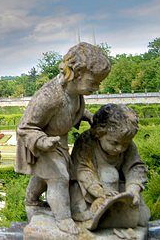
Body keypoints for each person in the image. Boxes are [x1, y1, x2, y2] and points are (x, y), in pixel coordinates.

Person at [15, 42, 111, 235]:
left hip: (58, 143)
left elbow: (74, 111)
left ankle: (31, 201)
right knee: (59, 177)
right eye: (94, 82)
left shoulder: (75, 93)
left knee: (48, 175)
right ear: (77, 73)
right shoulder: (49, 98)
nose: (97, 87)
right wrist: (42, 141)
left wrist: (89, 116)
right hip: (43, 144)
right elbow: (24, 127)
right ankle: (63, 218)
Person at [70, 104, 150, 232]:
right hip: (88, 192)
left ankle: (114, 216)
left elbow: (135, 167)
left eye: (124, 144)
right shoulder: (86, 141)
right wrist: (99, 191)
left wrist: (133, 189)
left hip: (117, 191)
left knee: (142, 218)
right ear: (99, 133)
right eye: (114, 143)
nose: (120, 148)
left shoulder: (127, 144)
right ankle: (105, 214)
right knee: (109, 174)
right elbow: (83, 170)